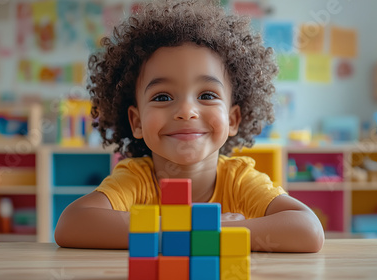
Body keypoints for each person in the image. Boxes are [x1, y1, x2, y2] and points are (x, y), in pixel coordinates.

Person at [55, 0, 324, 253]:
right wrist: (196, 230)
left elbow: (308, 230)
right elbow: (72, 224)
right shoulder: (136, 179)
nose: (186, 111)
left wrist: (200, 233)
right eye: (162, 97)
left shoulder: (238, 181)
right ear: (136, 122)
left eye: (207, 95)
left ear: (232, 119)